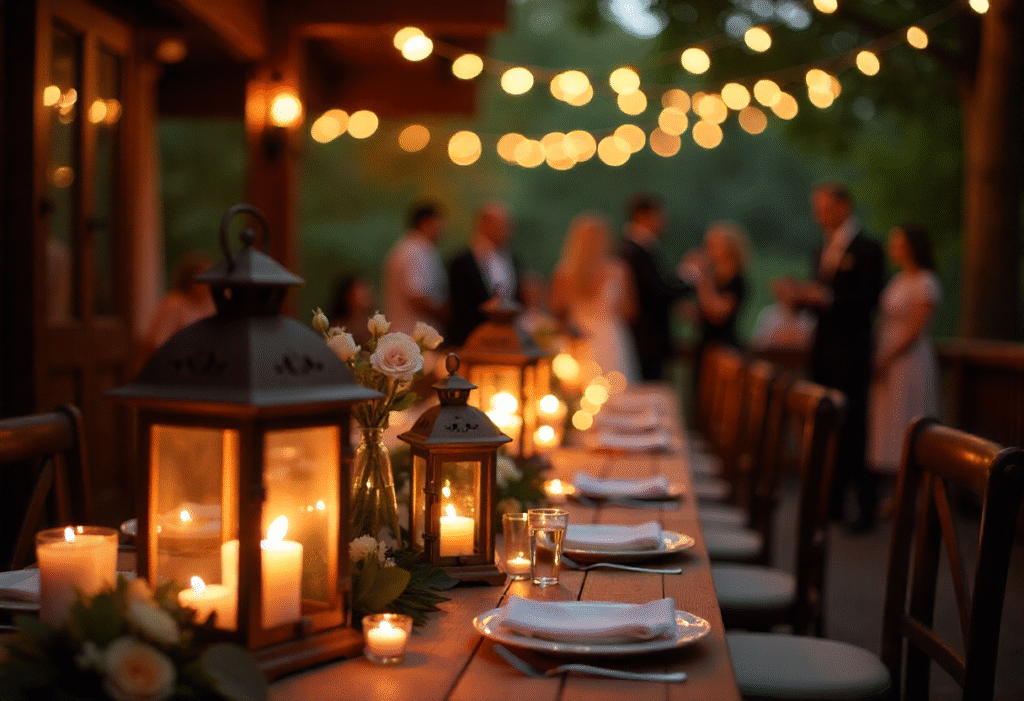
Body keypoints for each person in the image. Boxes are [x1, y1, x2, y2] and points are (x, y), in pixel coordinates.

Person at [773, 182, 885, 533]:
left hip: (852, 351)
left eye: (823, 207)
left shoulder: (868, 248)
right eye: (816, 208)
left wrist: (826, 298)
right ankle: (831, 504)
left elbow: (869, 300)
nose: (818, 214)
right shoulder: (821, 249)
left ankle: (864, 508)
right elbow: (818, 306)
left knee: (855, 428)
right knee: (826, 425)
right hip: (823, 349)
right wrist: (797, 298)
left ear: (843, 205)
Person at [869, 224, 941, 474]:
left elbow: (915, 330)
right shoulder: (898, 280)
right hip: (887, 354)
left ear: (912, 247)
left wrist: (887, 357)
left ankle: (912, 477)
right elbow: (883, 319)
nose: (892, 248)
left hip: (908, 359)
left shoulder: (926, 282)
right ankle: (891, 477)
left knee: (908, 413)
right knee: (888, 419)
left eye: (898, 243)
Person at [551, 212, 641, 385]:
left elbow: (556, 310)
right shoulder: (618, 269)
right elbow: (630, 311)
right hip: (609, 339)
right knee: (614, 387)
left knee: (579, 390)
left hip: (578, 337)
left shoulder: (564, 271)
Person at [618, 194, 694, 382]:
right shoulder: (635, 251)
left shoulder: (636, 248)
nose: (664, 221)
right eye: (660, 216)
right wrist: (691, 279)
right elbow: (657, 291)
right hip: (646, 339)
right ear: (644, 216)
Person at [682, 221, 750, 389]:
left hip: (724, 351)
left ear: (730, 249)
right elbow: (700, 314)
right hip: (705, 347)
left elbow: (718, 313)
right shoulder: (714, 279)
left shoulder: (737, 281)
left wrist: (702, 278)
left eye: (715, 245)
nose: (708, 249)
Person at [447, 201, 521, 347]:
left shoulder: (512, 258)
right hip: (471, 340)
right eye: (503, 225)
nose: (508, 231)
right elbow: (459, 307)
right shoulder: (462, 261)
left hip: (506, 341)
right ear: (484, 225)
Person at [382, 201, 449, 335]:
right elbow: (416, 297)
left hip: (410, 334)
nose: (443, 229)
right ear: (425, 223)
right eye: (439, 223)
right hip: (411, 335)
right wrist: (447, 315)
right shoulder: (415, 251)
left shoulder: (413, 248)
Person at [140, 251, 217, 362]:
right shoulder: (174, 304)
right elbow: (156, 344)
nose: (207, 285)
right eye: (202, 280)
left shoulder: (212, 306)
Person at [329, 274, 377, 346]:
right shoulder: (338, 327)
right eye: (360, 292)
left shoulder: (373, 326)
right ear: (347, 296)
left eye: (366, 291)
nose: (365, 295)